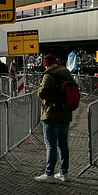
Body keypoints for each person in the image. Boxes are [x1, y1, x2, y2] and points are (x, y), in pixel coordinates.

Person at [35, 53, 73, 183]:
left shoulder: (49, 75)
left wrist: (38, 90)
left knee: (51, 145)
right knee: (63, 144)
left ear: (47, 65)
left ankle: (49, 174)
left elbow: (42, 93)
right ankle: (64, 173)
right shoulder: (67, 73)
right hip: (66, 114)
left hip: (51, 114)